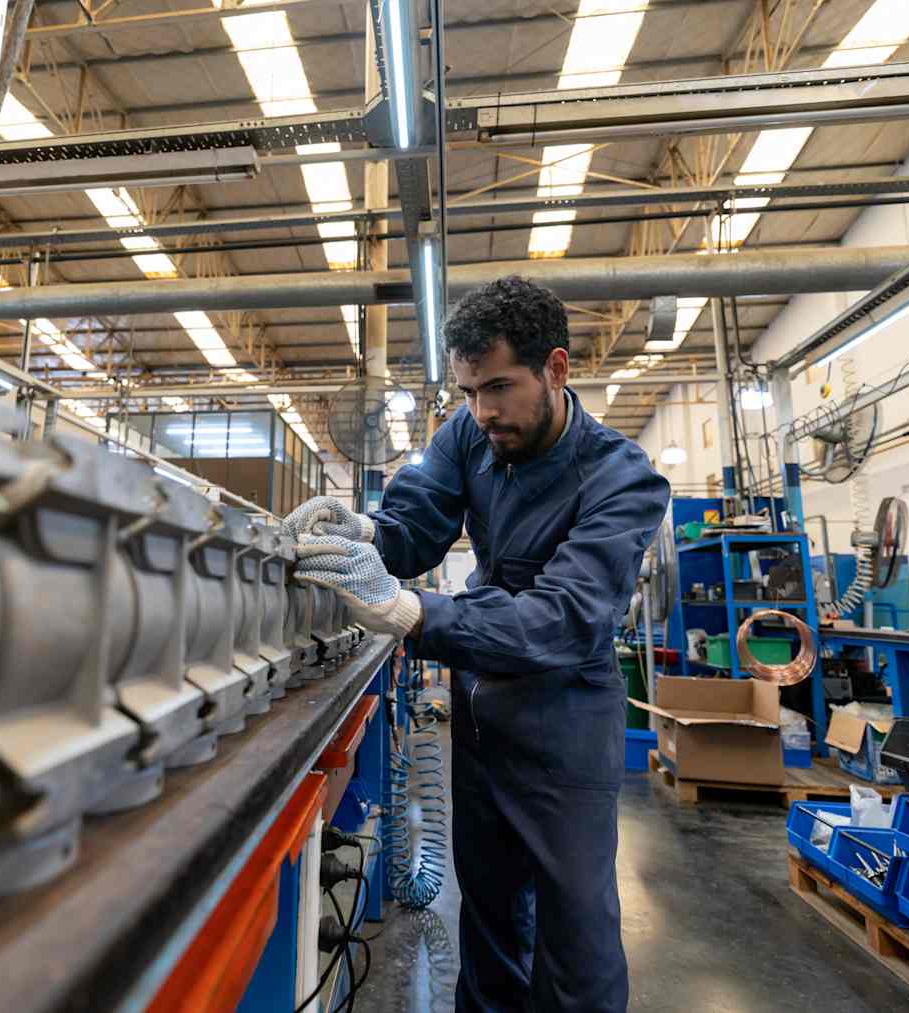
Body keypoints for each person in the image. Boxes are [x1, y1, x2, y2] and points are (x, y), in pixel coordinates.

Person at [285, 276, 670, 1013]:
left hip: (566, 716)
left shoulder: (624, 480)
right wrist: (361, 530)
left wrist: (406, 610)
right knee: (489, 915)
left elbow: (560, 620)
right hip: (483, 707)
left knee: (576, 935)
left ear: (556, 368)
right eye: (467, 390)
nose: (482, 410)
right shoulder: (470, 430)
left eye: (498, 386)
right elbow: (415, 525)